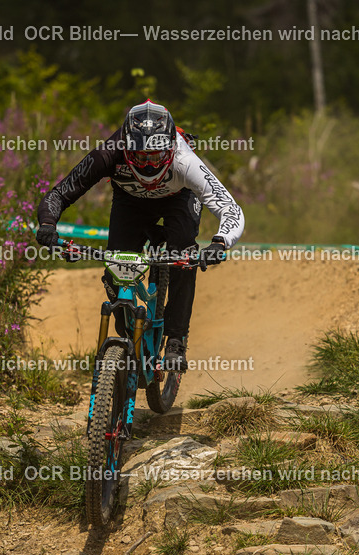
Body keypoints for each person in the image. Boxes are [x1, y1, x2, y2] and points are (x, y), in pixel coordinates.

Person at [35, 100, 245, 371]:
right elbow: (60, 193)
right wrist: (48, 224)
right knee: (115, 268)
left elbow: (229, 207)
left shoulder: (185, 160)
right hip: (130, 202)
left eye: (155, 157)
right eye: (140, 157)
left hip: (177, 200)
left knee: (183, 256)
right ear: (125, 147)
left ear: (170, 149)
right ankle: (127, 336)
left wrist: (220, 242)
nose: (147, 165)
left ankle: (176, 340)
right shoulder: (108, 154)